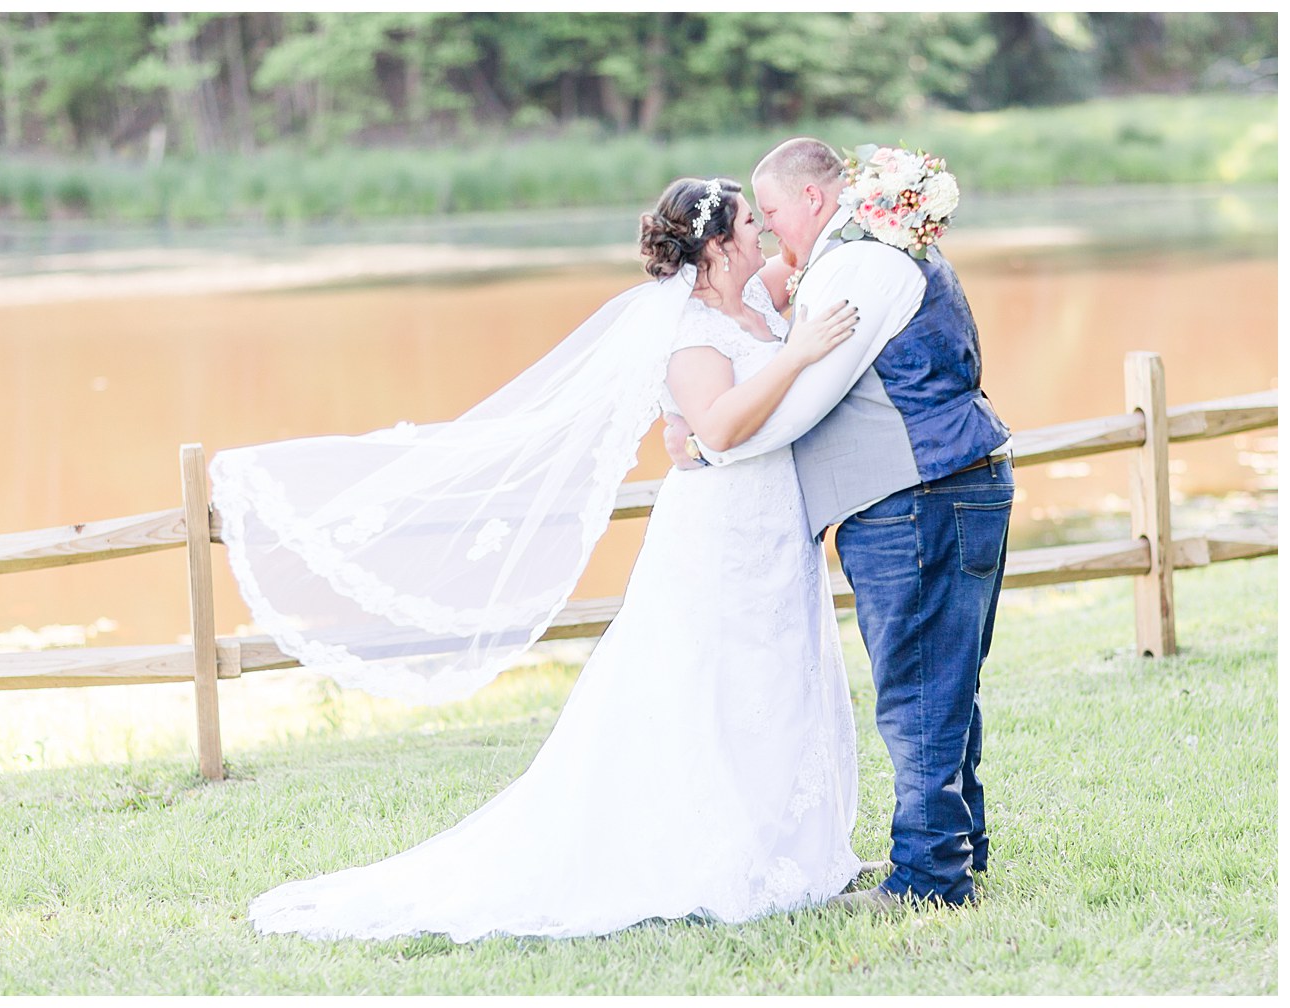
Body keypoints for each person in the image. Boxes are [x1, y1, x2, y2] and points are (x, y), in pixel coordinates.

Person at [220, 177, 876, 941]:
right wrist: (795, 356)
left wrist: (889, 197)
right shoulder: (691, 331)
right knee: (715, 682)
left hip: (775, 529)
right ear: (717, 247)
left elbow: (817, 247)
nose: (763, 233)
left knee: (778, 674)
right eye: (749, 226)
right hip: (720, 534)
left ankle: (788, 848)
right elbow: (719, 430)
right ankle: (718, 853)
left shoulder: (755, 299)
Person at [664, 138, 1013, 911]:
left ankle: (929, 878)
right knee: (944, 683)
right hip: (940, 488)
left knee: (919, 690)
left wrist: (705, 445)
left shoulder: (860, 267)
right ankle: (960, 849)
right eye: (753, 220)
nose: (769, 230)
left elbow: (802, 405)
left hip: (917, 496)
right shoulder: (859, 255)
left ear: (813, 202)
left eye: (775, 211)